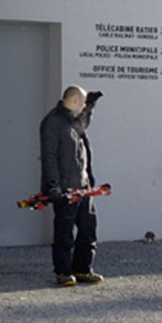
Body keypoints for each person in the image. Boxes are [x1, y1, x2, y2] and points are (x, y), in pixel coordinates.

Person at [38, 86, 104, 286]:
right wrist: (53, 186)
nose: (83, 107)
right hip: (66, 187)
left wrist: (90, 106)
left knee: (88, 229)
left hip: (83, 185)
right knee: (64, 231)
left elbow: (83, 124)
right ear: (74, 101)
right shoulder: (53, 122)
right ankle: (63, 272)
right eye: (82, 103)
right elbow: (49, 157)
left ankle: (83, 269)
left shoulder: (73, 120)